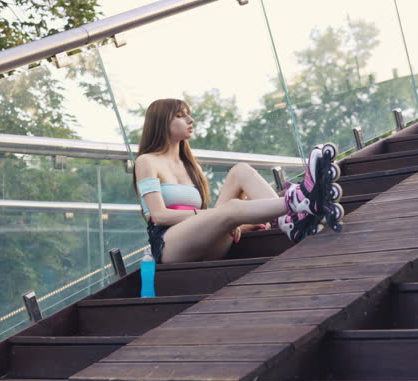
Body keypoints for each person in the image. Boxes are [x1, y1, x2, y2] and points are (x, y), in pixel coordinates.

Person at [133, 98, 342, 264]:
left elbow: (204, 219)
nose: (190, 120)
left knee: (240, 170)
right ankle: (299, 199)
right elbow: (159, 216)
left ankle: (290, 221)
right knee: (231, 207)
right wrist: (220, 215)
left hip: (204, 239)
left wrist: (236, 223)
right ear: (161, 123)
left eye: (189, 114)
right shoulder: (146, 161)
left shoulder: (190, 165)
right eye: (180, 116)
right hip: (169, 245)